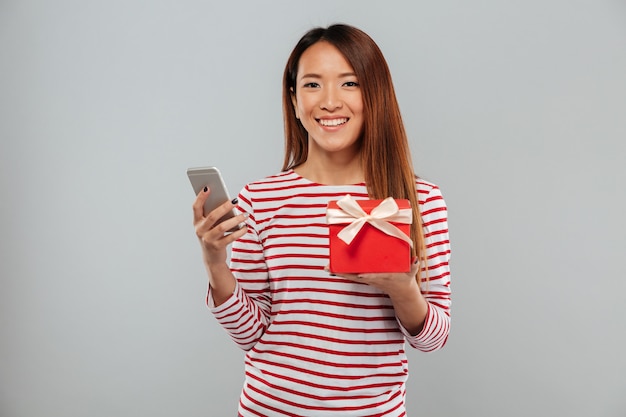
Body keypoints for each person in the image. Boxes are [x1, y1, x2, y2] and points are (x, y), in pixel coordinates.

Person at [192, 23, 451, 417]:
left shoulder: (418, 200)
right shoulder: (260, 199)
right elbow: (251, 333)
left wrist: (403, 289)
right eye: (312, 85)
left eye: (349, 83)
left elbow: (433, 339)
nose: (330, 102)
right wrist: (215, 264)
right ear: (294, 100)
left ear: (375, 95)